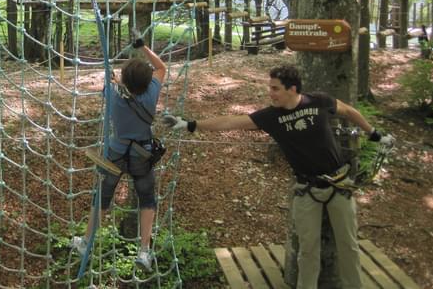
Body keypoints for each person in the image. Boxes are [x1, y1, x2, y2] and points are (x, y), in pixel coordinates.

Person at [163, 64, 394, 289]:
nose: (270, 93)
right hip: (307, 190)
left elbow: (350, 112)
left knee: (348, 245)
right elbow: (231, 121)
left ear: (292, 89)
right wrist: (190, 125)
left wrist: (374, 135)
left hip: (339, 185)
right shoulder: (271, 117)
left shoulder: (320, 101)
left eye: (275, 88)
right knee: (307, 249)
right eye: (270, 88)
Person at [72, 38, 167, 272]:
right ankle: (144, 251)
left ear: (124, 79)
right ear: (147, 81)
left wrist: (115, 79)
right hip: (141, 154)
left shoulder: (113, 94)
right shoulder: (152, 92)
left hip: (115, 152)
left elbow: (111, 85)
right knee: (147, 199)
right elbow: (161, 68)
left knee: (102, 197)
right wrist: (143, 46)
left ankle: (86, 242)